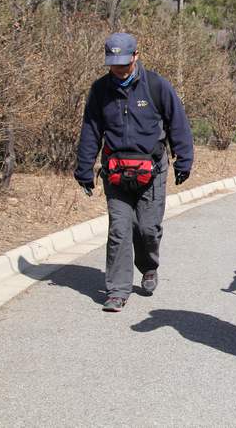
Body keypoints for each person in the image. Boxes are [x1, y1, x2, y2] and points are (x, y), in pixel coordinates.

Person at [74, 32, 194, 313]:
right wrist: (84, 169)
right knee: (119, 229)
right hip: (115, 171)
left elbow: (178, 123)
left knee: (148, 228)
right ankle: (117, 289)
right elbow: (91, 130)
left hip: (151, 170)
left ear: (136, 57)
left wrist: (183, 160)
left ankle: (149, 267)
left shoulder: (156, 86)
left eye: (124, 63)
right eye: (113, 64)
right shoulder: (100, 90)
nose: (118, 69)